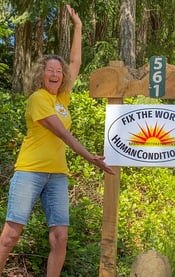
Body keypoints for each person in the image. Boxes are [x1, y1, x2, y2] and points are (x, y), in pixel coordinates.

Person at [0, 5, 115, 276]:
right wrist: (89, 157)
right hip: (30, 171)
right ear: (41, 74)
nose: (55, 73)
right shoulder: (38, 98)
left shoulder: (62, 99)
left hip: (57, 175)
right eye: (49, 70)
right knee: (11, 234)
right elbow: (61, 133)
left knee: (60, 237)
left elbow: (75, 63)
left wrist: (78, 27)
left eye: (58, 71)